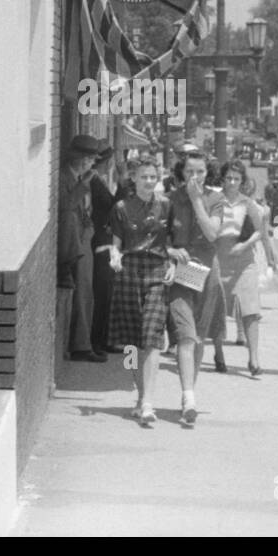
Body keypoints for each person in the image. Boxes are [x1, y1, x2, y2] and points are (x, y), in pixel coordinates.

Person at [109, 157, 176, 425]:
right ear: (134, 178)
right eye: (144, 177)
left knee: (152, 335)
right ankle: (139, 395)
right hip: (129, 269)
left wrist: (171, 263)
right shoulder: (121, 208)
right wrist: (114, 256)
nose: (149, 181)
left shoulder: (166, 206)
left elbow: (171, 239)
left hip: (156, 269)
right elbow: (116, 242)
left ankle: (148, 401)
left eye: (153, 177)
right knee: (130, 340)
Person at [164, 152, 226, 425]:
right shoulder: (170, 199)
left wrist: (197, 200)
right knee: (185, 336)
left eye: (200, 172)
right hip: (180, 274)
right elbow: (158, 237)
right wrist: (170, 250)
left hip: (207, 273)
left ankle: (189, 392)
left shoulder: (215, 199)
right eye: (190, 171)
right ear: (182, 172)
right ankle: (189, 398)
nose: (195, 177)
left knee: (199, 337)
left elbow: (213, 233)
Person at [214, 160, 267, 377]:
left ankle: (253, 358)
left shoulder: (248, 204)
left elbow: (259, 231)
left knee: (251, 309)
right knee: (216, 308)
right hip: (219, 258)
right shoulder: (215, 201)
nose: (232, 183)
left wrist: (244, 245)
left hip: (244, 260)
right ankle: (218, 353)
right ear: (223, 179)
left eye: (237, 179)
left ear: (242, 181)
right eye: (229, 178)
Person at [58, 134, 106, 363]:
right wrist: (84, 185)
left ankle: (83, 342)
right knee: (82, 293)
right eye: (89, 158)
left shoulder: (80, 176)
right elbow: (66, 207)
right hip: (74, 243)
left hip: (84, 238)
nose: (92, 163)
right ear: (80, 158)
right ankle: (80, 346)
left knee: (87, 294)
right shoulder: (65, 178)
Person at [89, 145, 129, 355]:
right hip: (101, 242)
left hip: (107, 240)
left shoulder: (99, 180)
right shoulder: (95, 180)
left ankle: (104, 338)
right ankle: (98, 341)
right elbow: (115, 207)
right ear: (108, 162)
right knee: (103, 292)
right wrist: (123, 181)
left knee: (109, 292)